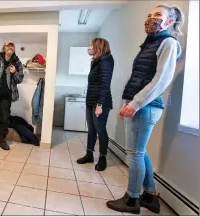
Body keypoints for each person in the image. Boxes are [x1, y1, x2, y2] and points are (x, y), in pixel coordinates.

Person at [106, 4, 184, 214]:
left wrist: (135, 104)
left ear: (169, 21)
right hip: (140, 105)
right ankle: (149, 196)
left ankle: (132, 200)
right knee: (139, 153)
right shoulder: (150, 44)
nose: (151, 18)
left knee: (134, 154)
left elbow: (161, 80)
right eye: (149, 15)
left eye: (158, 15)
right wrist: (127, 103)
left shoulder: (168, 43)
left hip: (146, 107)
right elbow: (138, 78)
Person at [76, 38, 114, 171]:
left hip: (100, 102)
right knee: (91, 129)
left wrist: (100, 105)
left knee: (100, 129)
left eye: (91, 45)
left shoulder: (106, 61)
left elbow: (105, 85)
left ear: (98, 47)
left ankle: (102, 158)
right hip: (91, 101)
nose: (89, 48)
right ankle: (89, 154)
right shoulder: (96, 61)